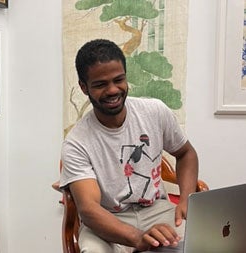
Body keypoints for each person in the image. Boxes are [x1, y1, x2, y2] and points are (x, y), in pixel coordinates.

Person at [59, 39, 199, 253]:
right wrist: (138, 237)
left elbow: (186, 153)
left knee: (202, 242)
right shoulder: (76, 143)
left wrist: (187, 200)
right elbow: (89, 209)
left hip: (157, 210)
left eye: (119, 80)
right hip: (107, 220)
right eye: (100, 84)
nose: (113, 90)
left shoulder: (154, 111)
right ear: (83, 87)